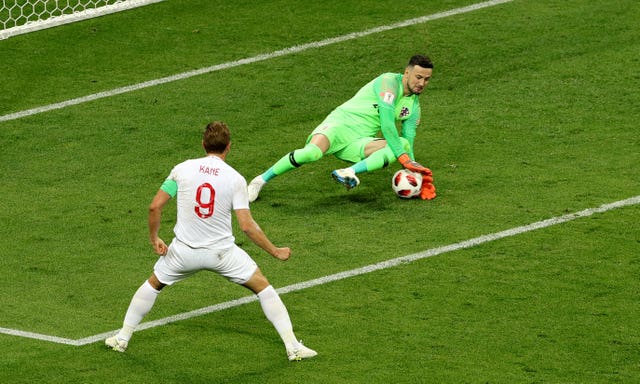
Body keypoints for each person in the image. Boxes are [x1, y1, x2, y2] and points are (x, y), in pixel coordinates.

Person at [105, 121, 317, 362]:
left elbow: (155, 206)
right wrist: (275, 251)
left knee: (153, 284)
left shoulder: (182, 169)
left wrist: (154, 240)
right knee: (264, 288)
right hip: (222, 254)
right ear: (228, 147)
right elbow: (247, 226)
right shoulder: (235, 179)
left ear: (203, 144)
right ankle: (293, 347)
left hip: (183, 252)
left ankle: (122, 338)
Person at [247, 54, 436, 202]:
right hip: (339, 125)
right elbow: (387, 125)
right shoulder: (388, 83)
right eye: (418, 77)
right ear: (407, 73)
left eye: (426, 80)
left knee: (401, 143)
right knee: (311, 154)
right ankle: (260, 180)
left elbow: (408, 140)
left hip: (360, 141)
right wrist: (404, 159)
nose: (421, 83)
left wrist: (415, 173)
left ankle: (350, 171)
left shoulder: (414, 107)